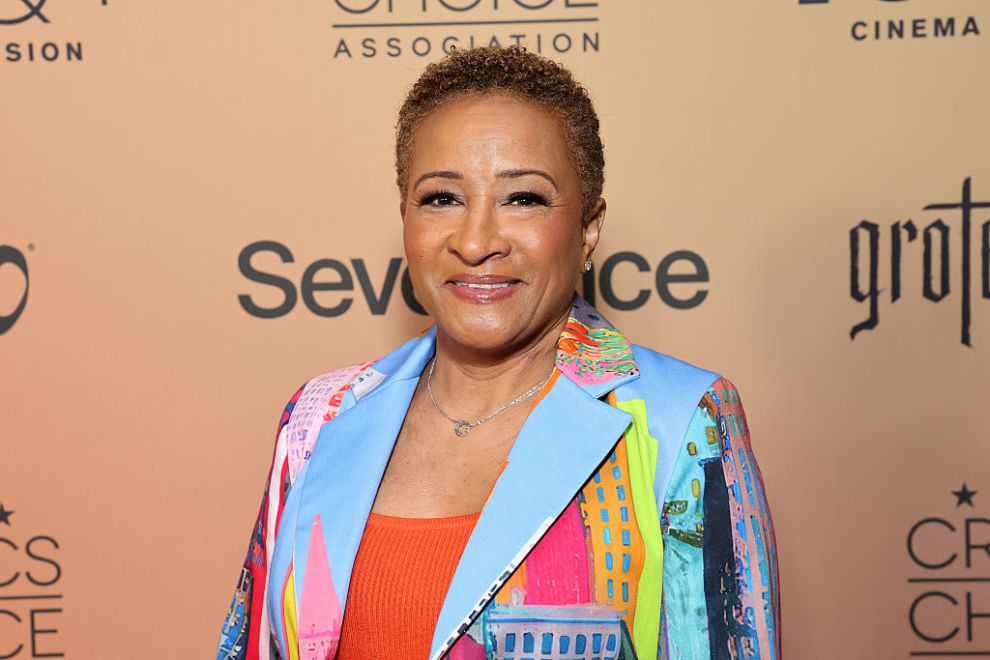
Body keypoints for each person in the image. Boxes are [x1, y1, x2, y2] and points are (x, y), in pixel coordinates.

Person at [217, 46, 780, 660]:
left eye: (523, 199)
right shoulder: (321, 415)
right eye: (442, 198)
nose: (476, 241)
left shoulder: (681, 423)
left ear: (589, 227)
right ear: (405, 217)